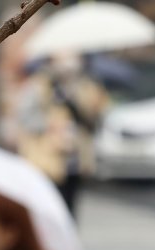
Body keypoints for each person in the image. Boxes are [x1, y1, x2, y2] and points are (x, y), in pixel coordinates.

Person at [16, 54, 108, 218]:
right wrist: (49, 124)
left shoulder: (86, 86)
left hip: (75, 157)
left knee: (70, 206)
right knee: (48, 206)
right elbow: (25, 116)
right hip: (47, 158)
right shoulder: (40, 85)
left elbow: (95, 119)